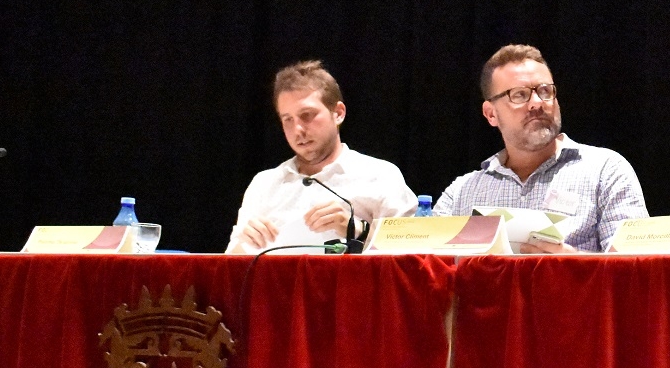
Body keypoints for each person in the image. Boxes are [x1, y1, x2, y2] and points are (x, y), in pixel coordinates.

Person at [433, 44, 647, 252]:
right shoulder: (462, 192)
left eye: (545, 91)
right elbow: (429, 264)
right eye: (519, 94)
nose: (537, 103)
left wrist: (574, 264)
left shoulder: (606, 171)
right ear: (491, 114)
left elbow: (636, 267)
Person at [227, 60, 417, 253]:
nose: (298, 129)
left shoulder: (380, 176)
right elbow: (227, 265)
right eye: (288, 119)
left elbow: (412, 255)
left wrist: (358, 230)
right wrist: (244, 246)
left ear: (338, 113)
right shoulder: (264, 184)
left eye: (307, 115)